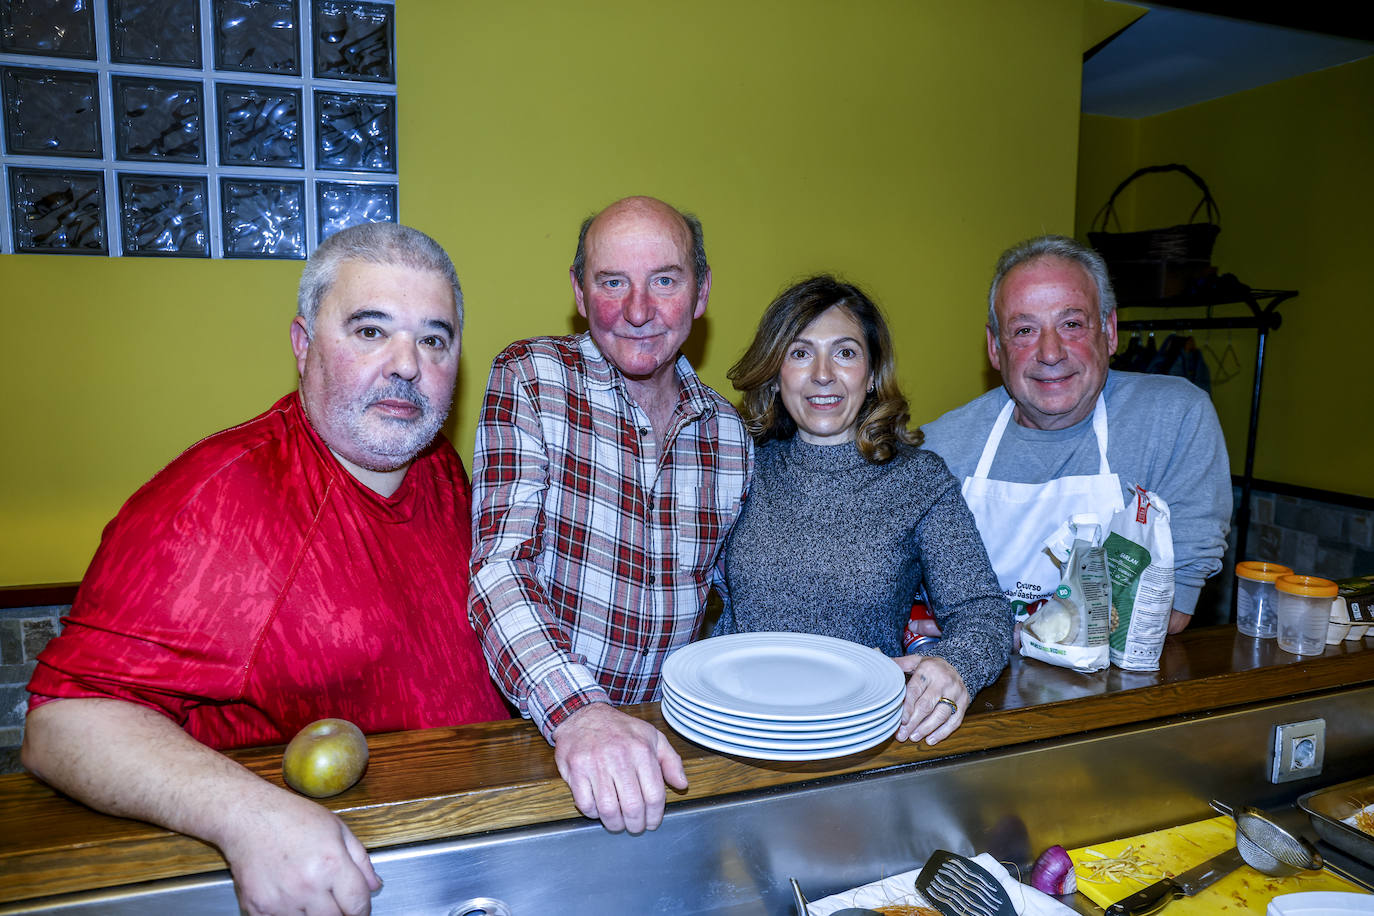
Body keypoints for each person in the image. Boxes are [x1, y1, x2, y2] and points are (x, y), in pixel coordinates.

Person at [23, 222, 509, 916]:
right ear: (303, 344)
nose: (407, 364)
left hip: (458, 858)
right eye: (371, 330)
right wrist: (250, 818)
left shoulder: (440, 471)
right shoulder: (217, 501)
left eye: (434, 339)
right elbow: (63, 723)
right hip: (322, 882)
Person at [469, 195, 752, 835]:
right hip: (542, 739)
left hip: (668, 754)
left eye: (665, 281)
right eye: (612, 282)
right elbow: (499, 568)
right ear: (578, 291)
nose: (639, 310)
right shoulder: (532, 377)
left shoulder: (730, 436)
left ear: (702, 292)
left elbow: (734, 606)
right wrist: (581, 713)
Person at [713, 275, 1013, 744]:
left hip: (860, 734)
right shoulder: (736, 465)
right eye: (800, 353)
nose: (823, 374)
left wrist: (957, 666)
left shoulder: (919, 481)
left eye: (845, 352)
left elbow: (983, 611)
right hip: (736, 723)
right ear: (775, 373)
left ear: (872, 373)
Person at [920, 235, 1231, 635]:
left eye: (1071, 324)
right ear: (995, 348)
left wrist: (1004, 635)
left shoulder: (1174, 420)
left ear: (1110, 331)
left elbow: (1167, 611)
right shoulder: (937, 449)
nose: (1050, 353)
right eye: (1024, 330)